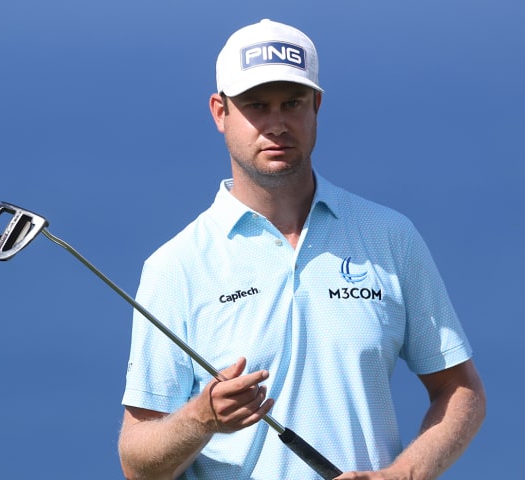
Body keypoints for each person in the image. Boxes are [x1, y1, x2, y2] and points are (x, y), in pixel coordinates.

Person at [117, 19, 486, 480]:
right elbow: (137, 462)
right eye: (256, 106)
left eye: (292, 103)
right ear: (219, 112)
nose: (276, 124)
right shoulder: (175, 266)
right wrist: (200, 418)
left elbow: (459, 389)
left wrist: (404, 474)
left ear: (316, 105)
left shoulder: (390, 236)